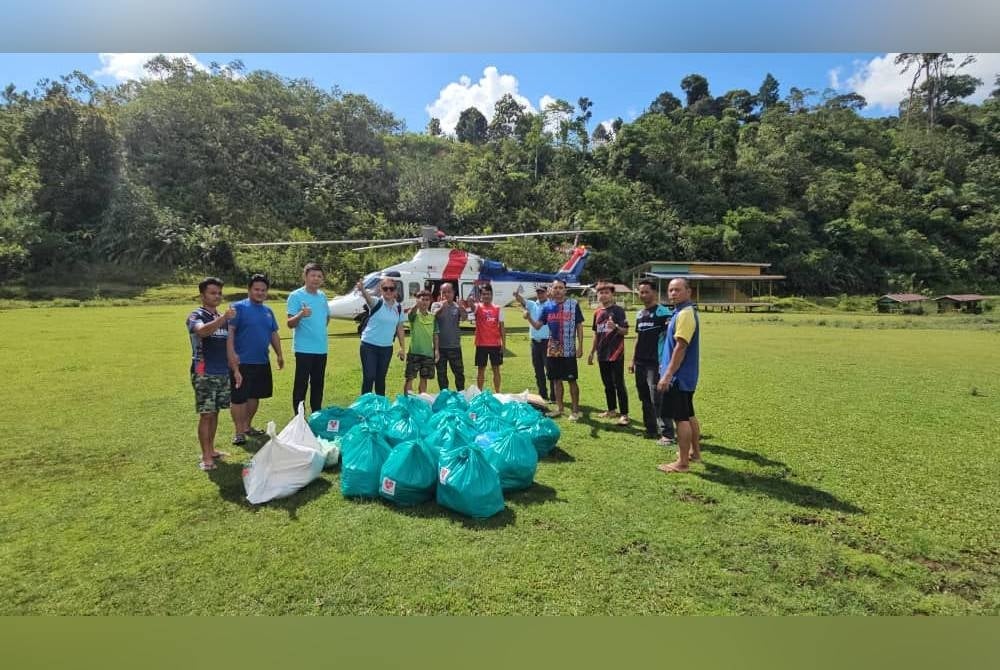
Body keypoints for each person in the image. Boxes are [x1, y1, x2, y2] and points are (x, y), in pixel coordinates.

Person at [227, 273, 284, 446]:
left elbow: (273, 333)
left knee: (254, 396)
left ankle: (247, 427)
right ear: (249, 290)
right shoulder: (238, 307)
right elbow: (230, 332)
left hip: (262, 361)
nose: (260, 293)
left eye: (263, 290)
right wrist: (232, 355)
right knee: (239, 398)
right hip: (242, 362)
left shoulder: (268, 311)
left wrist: (279, 354)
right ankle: (238, 433)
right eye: (256, 289)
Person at [187, 277, 237, 471]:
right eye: (212, 293)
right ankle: (206, 456)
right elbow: (202, 332)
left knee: (215, 412)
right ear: (202, 295)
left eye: (219, 293)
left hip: (222, 371)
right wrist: (223, 318)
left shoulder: (220, 317)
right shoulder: (196, 315)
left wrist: (235, 369)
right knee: (206, 414)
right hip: (203, 371)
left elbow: (228, 346)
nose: (217, 296)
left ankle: (211, 449)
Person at [656, 277, 702, 473]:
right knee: (689, 414)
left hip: (678, 377)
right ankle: (695, 453)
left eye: (677, 290)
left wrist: (667, 375)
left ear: (688, 292)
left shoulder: (685, 314)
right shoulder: (681, 312)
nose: (673, 293)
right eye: (670, 290)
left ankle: (682, 463)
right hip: (685, 376)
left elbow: (680, 347)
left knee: (680, 418)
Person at [525, 278, 584, 421]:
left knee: (571, 380)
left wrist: (580, 345)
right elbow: (538, 326)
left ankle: (575, 411)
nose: (558, 290)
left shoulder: (573, 304)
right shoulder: (547, 307)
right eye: (555, 288)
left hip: (569, 348)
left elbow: (579, 326)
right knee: (556, 380)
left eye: (560, 288)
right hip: (552, 348)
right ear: (551, 290)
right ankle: (559, 408)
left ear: (565, 290)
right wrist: (528, 318)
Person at [630, 279, 675, 445]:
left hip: (655, 363)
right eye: (641, 292)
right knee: (644, 397)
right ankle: (650, 429)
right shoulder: (640, 314)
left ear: (654, 293)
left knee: (658, 397)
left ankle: (668, 434)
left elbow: (670, 340)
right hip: (640, 363)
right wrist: (632, 359)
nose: (643, 295)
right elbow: (638, 337)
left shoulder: (664, 313)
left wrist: (666, 362)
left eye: (646, 291)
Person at [286, 262, 330, 414]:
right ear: (305, 276)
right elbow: (290, 323)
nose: (316, 279)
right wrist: (301, 314)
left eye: (319, 276)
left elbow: (326, 318)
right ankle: (299, 417)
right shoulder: (296, 296)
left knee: (318, 384)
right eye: (313, 275)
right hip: (304, 348)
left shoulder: (323, 296)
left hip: (321, 348)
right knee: (301, 384)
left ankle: (316, 414)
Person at [588, 281, 630, 426]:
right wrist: (592, 352)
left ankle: (624, 414)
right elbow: (596, 333)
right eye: (601, 292)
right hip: (602, 354)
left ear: (612, 295)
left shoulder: (618, 311)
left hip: (616, 353)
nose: (603, 295)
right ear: (597, 295)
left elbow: (626, 331)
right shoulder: (597, 313)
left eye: (607, 292)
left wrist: (616, 327)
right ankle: (611, 410)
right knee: (607, 384)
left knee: (619, 384)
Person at [357, 276, 406, 396]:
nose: (388, 291)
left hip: (386, 348)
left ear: (395, 290)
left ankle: (381, 407)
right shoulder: (376, 302)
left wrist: (402, 348)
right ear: (381, 290)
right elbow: (368, 298)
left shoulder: (399, 308)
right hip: (369, 346)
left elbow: (399, 328)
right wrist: (363, 289)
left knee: (380, 379)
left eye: (391, 288)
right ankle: (365, 406)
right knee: (369, 377)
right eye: (385, 288)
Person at [513, 285, 556, 402]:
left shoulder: (550, 305)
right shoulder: (532, 304)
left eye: (542, 292)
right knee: (538, 370)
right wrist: (516, 294)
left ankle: (554, 396)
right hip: (535, 343)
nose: (540, 294)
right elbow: (521, 300)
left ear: (546, 293)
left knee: (550, 370)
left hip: (547, 341)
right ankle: (543, 395)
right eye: (538, 292)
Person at [464, 283, 505, 392]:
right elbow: (472, 306)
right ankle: (480, 393)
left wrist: (503, 345)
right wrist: (470, 301)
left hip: (495, 344)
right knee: (481, 370)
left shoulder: (498, 308)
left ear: (492, 295)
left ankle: (498, 392)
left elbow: (502, 327)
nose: (486, 296)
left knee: (496, 369)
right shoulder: (478, 307)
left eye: (488, 294)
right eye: (484, 294)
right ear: (481, 296)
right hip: (481, 344)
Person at [404, 290, 439, 395]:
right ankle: (407, 401)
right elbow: (410, 313)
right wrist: (416, 305)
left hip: (428, 354)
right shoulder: (414, 315)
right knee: (410, 378)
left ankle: (421, 402)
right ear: (417, 300)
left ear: (430, 301)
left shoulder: (433, 317)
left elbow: (435, 335)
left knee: (424, 379)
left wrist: (436, 350)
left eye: (427, 300)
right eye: (422, 299)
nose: (424, 302)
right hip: (414, 353)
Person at [434, 282, 466, 391]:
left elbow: (465, 318)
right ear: (440, 293)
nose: (446, 294)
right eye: (444, 292)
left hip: (454, 346)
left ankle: (461, 394)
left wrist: (461, 307)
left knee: (459, 373)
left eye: (449, 292)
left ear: (453, 293)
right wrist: (442, 307)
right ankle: (444, 395)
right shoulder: (436, 305)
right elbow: (434, 316)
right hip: (440, 347)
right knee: (442, 374)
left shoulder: (457, 306)